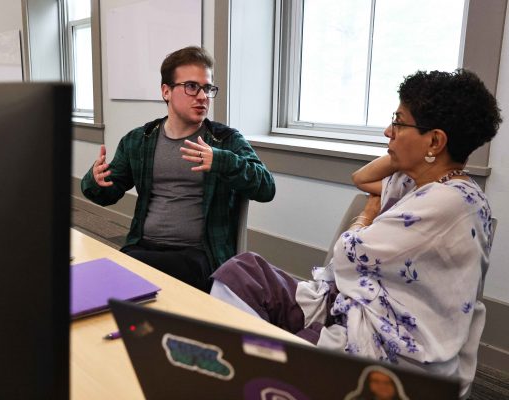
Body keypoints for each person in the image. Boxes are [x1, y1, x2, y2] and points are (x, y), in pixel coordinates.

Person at [210, 69, 501, 398]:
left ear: (434, 140)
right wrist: (406, 155)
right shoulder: (425, 181)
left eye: (399, 122)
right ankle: (244, 365)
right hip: (352, 303)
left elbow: (347, 252)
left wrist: (367, 213)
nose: (388, 130)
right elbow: (362, 179)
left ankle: (245, 374)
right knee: (242, 269)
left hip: (392, 346)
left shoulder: (446, 202)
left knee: (285, 364)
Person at [81, 46, 275, 292]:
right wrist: (94, 180)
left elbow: (266, 187)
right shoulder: (140, 139)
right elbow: (106, 194)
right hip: (144, 244)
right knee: (110, 280)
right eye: (192, 87)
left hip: (200, 254)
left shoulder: (225, 140)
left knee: (124, 275)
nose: (203, 96)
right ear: (166, 91)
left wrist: (221, 161)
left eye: (207, 88)